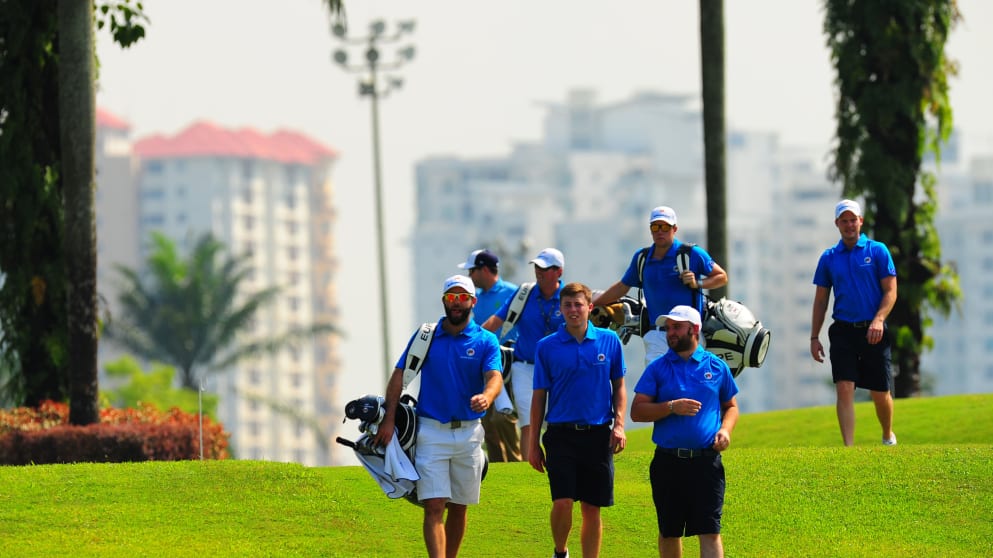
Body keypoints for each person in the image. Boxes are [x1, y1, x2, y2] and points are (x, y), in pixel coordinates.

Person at [375, 274, 504, 558]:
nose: (456, 303)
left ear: (473, 302)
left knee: (459, 506)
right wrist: (388, 419)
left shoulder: (486, 340)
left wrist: (487, 396)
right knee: (434, 505)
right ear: (444, 301)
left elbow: (494, 376)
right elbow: (399, 376)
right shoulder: (426, 336)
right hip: (431, 431)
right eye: (451, 297)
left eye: (462, 298)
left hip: (469, 432)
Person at [631, 305, 739, 558]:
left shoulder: (717, 366)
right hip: (668, 462)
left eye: (677, 327)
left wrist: (725, 430)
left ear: (695, 329)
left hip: (706, 462)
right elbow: (637, 411)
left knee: (710, 531)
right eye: (668, 328)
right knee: (670, 532)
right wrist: (670, 407)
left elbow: (731, 406)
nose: (671, 332)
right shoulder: (657, 368)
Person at [528, 282, 627, 558]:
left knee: (592, 508)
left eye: (578, 305)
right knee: (563, 502)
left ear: (589, 307)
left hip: (598, 434)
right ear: (560, 309)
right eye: (568, 305)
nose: (573, 310)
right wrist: (533, 443)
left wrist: (619, 425)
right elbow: (539, 396)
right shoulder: (546, 347)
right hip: (561, 435)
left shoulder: (610, 340)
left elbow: (619, 386)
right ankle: (560, 552)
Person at [810, 199, 898, 447]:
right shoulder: (828, 258)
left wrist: (879, 320)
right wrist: (814, 336)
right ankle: (849, 448)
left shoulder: (877, 251)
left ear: (861, 221)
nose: (849, 225)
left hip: (874, 331)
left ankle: (887, 435)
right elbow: (821, 300)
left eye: (853, 220)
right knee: (845, 387)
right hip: (843, 331)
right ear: (837, 224)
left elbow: (891, 291)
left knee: (880, 393)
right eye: (844, 221)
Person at [593, 206, 727, 365]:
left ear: (674, 229)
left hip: (688, 334)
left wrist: (698, 283)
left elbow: (721, 277)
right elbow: (623, 286)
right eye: (655, 227)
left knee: (689, 378)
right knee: (658, 377)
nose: (660, 232)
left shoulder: (692, 254)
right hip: (657, 334)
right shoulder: (642, 258)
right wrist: (593, 304)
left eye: (665, 227)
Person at [482, 247, 566, 462]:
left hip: (559, 369)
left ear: (559, 271)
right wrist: (472, 341)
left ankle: (557, 463)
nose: (539, 272)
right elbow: (496, 320)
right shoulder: (524, 294)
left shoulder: (568, 297)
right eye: (537, 267)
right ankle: (529, 468)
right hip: (525, 367)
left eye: (545, 268)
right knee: (529, 423)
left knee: (558, 421)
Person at [457, 248, 522, 462]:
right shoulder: (476, 298)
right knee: (487, 421)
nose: (470, 276)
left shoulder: (512, 292)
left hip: (509, 364)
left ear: (484, 270)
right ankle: (497, 466)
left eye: (472, 271)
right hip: (484, 364)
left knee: (503, 417)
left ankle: (516, 462)